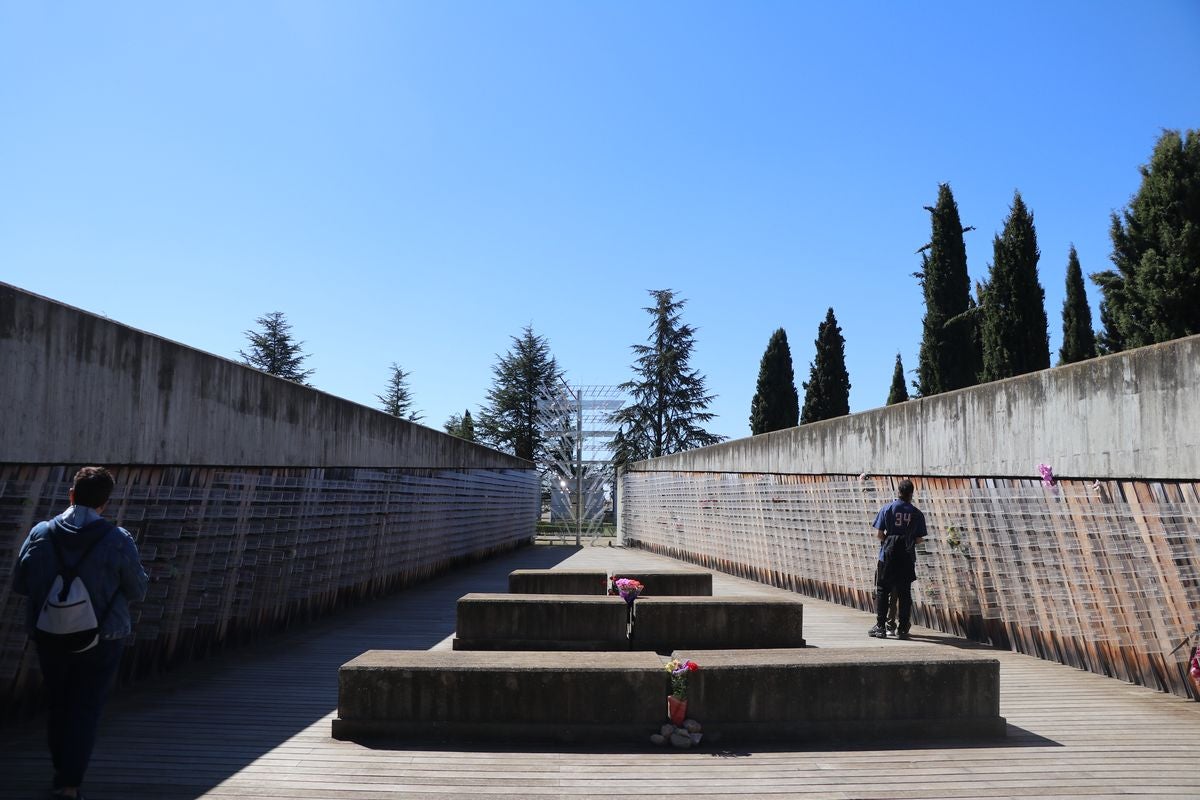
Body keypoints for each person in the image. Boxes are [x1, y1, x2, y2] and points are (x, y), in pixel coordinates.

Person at [12, 466, 148, 800]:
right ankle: (69, 782)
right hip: (102, 636)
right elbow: (137, 589)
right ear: (105, 503)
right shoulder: (117, 539)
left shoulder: (41, 533)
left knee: (58, 703)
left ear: (71, 494)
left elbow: (20, 583)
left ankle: (61, 767)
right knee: (85, 706)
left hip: (50, 634)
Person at [868, 478, 926, 640]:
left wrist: (890, 541)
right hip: (907, 558)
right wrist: (906, 541)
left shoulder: (887, 509)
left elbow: (879, 534)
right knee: (904, 593)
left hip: (887, 557)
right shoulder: (916, 513)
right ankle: (902, 628)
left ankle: (880, 626)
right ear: (911, 494)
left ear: (899, 492)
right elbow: (920, 539)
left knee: (883, 591)